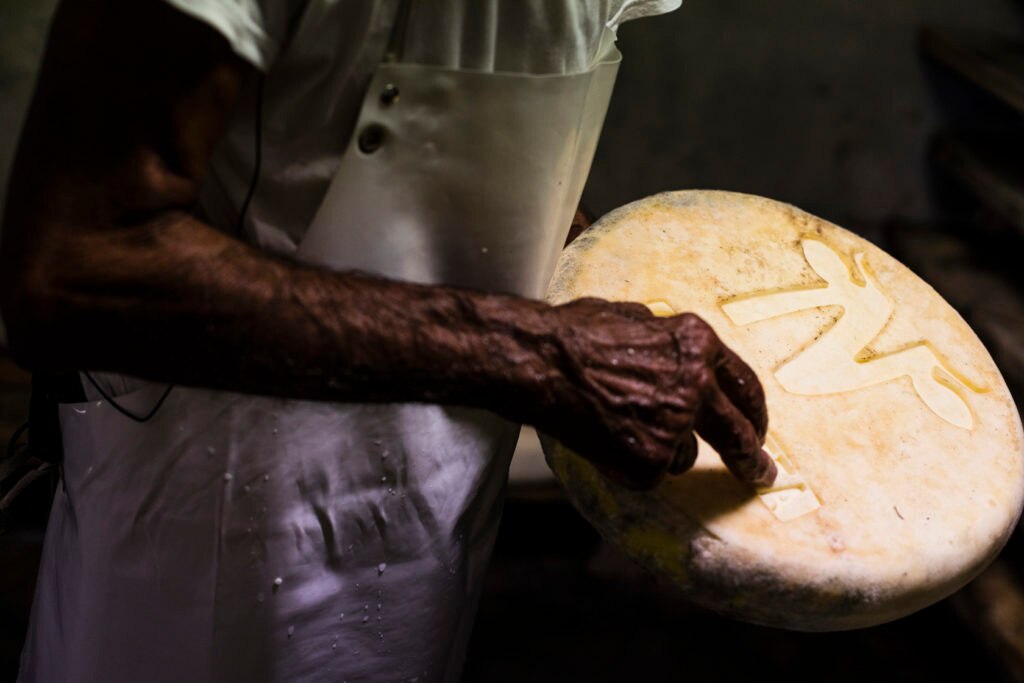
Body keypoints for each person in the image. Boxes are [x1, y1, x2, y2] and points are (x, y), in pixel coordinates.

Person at [0, 0, 776, 680]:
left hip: (437, 504)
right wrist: (539, 355)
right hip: (211, 514)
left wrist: (588, 269)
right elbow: (74, 265)